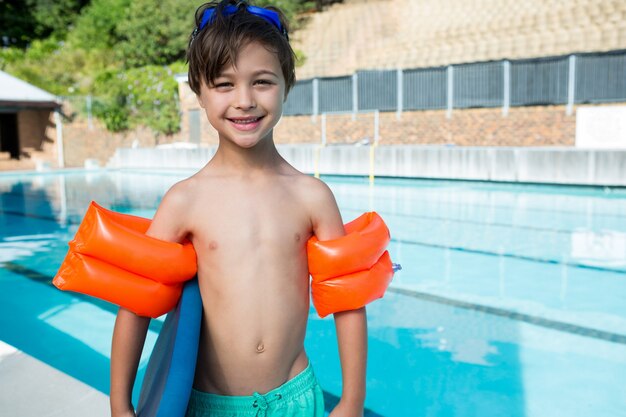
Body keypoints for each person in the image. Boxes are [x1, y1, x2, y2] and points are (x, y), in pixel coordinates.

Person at [109, 1, 367, 416]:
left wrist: (352, 402)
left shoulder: (312, 196)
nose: (244, 100)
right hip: (209, 405)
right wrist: (120, 404)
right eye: (224, 84)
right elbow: (136, 303)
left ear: (287, 85)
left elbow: (348, 300)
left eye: (262, 81)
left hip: (297, 398)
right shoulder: (185, 201)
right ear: (199, 93)